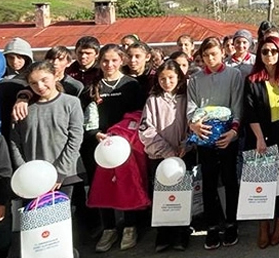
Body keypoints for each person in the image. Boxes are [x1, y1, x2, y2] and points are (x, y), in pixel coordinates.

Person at [83, 44, 147, 252]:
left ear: (122, 61)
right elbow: (87, 118)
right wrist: (96, 135)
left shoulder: (132, 85)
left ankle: (130, 226)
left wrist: (122, 136)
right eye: (104, 61)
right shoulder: (92, 87)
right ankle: (108, 228)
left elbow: (138, 115)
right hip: (100, 145)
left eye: (113, 60)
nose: (109, 64)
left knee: (126, 183)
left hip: (124, 144)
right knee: (102, 185)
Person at [187, 37, 244, 250]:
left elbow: (237, 104)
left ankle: (231, 223)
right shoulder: (195, 79)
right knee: (209, 181)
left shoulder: (233, 75)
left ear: (222, 53)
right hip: (204, 136)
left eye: (214, 54)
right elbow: (191, 108)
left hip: (227, 135)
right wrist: (194, 126)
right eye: (206, 56)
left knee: (230, 179)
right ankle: (211, 226)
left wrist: (233, 131)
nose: (210, 59)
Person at [244, 35, 279, 248]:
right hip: (260, 136)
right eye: (265, 51)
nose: (269, 55)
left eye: (273, 51)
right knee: (261, 182)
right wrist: (259, 139)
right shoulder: (252, 80)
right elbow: (250, 112)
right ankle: (263, 224)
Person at [138, 59, 192, 252]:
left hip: (183, 154)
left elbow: (193, 123)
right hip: (160, 157)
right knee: (161, 197)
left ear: (179, 78)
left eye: (171, 78)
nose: (167, 82)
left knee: (181, 196)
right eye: (162, 78)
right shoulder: (153, 100)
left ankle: (181, 234)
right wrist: (166, 151)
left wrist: (186, 144)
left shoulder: (187, 98)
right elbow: (146, 130)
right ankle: (163, 234)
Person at [11, 61, 84, 196]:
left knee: (70, 217)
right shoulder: (23, 108)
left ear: (55, 76)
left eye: (44, 80)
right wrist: (25, 170)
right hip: (33, 180)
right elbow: (15, 141)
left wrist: (60, 172)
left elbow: (75, 139)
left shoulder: (71, 103)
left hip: (67, 177)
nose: (40, 86)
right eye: (33, 83)